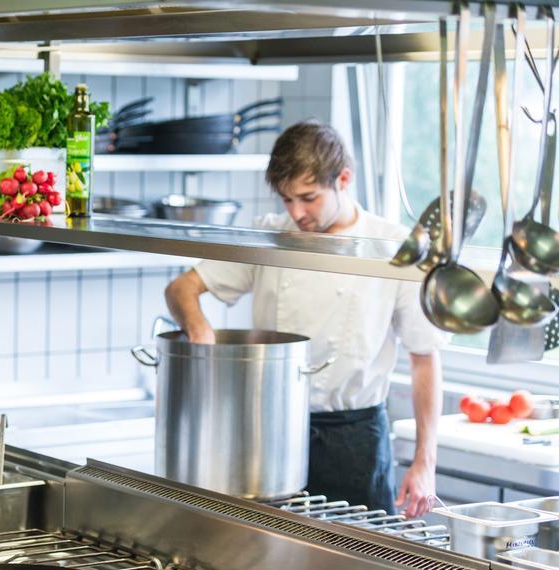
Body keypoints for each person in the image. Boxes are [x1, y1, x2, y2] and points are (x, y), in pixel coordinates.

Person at [164, 121, 445, 518]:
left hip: (354, 440)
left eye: (308, 198)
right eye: (286, 200)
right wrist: (200, 331)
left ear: (343, 179)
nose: (296, 213)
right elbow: (181, 289)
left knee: (358, 565)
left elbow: (425, 359)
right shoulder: (268, 237)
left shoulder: (394, 247)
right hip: (268, 431)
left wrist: (425, 463)